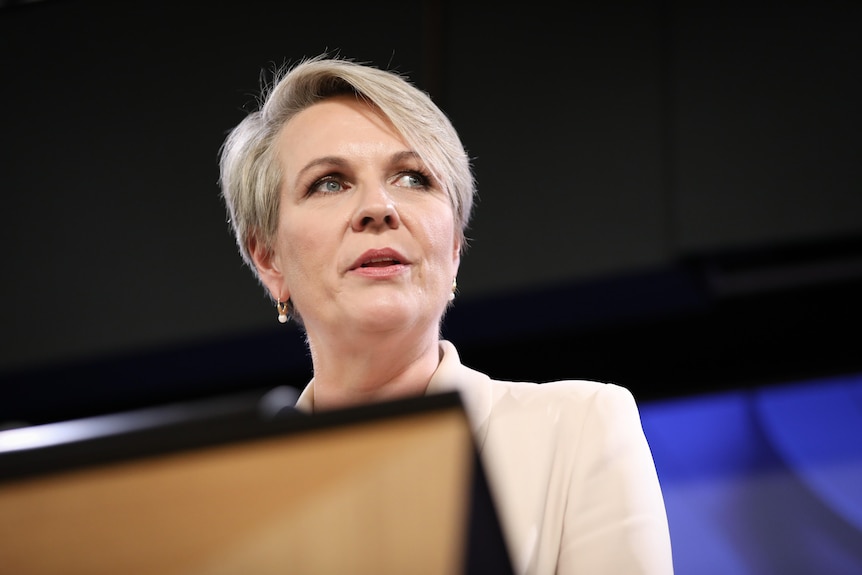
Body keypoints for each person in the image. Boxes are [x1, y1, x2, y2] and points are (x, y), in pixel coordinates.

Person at [218, 54, 673, 574]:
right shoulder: (219, 499)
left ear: (454, 246)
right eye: (329, 183)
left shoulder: (579, 426)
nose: (378, 207)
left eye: (412, 178)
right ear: (268, 257)